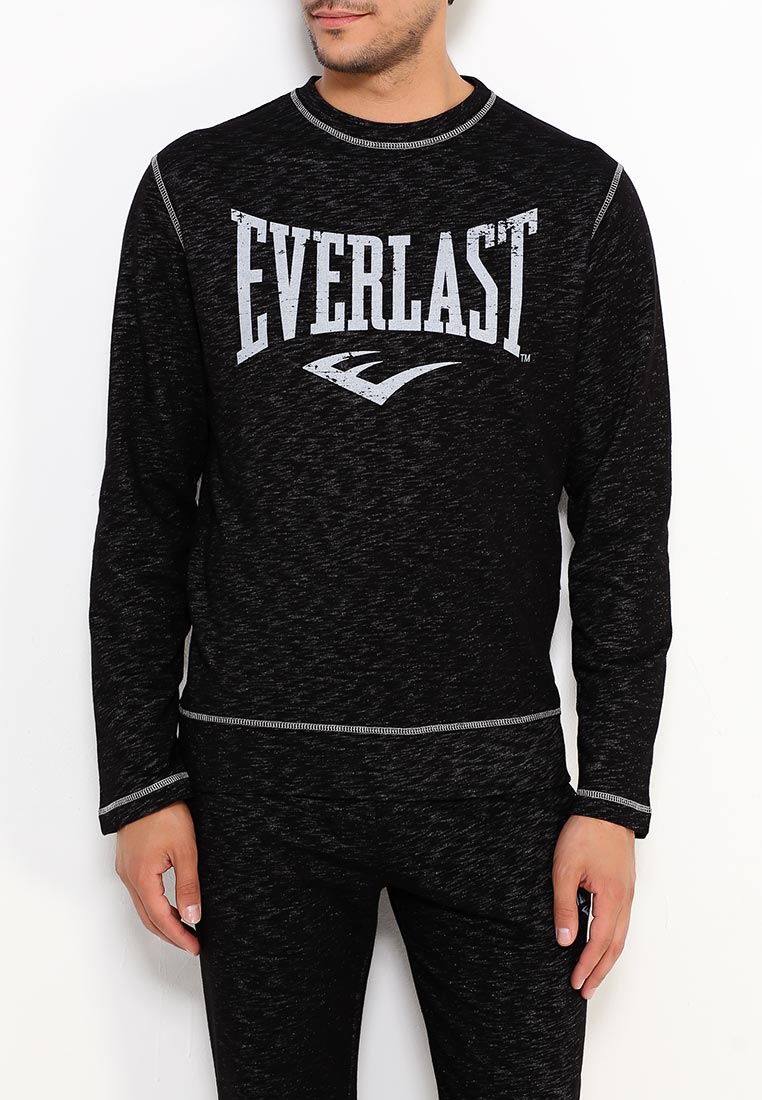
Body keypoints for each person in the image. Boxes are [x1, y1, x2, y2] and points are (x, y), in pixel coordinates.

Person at [88, 1, 672, 1096]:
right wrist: (140, 779)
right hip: (257, 782)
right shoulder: (196, 190)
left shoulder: (576, 199)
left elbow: (625, 523)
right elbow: (144, 507)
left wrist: (612, 797)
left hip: (496, 782)